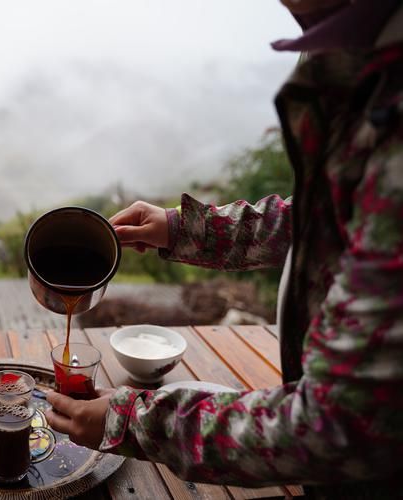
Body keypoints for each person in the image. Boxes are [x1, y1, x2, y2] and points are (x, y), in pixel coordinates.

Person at [44, 1, 403, 498]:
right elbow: (326, 217)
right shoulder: (366, 54)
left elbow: (341, 424)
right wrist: (182, 229)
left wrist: (131, 420)